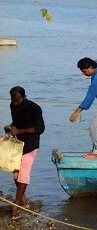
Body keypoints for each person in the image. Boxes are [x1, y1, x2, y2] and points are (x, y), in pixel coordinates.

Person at [5, 86, 45, 220]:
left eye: (18, 101)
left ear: (24, 97)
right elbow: (16, 122)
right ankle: (22, 198)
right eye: (13, 101)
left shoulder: (34, 108)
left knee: (24, 174)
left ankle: (16, 206)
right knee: (15, 172)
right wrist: (10, 127)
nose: (15, 103)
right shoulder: (13, 105)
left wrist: (20, 131)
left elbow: (40, 128)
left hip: (30, 145)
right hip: (17, 144)